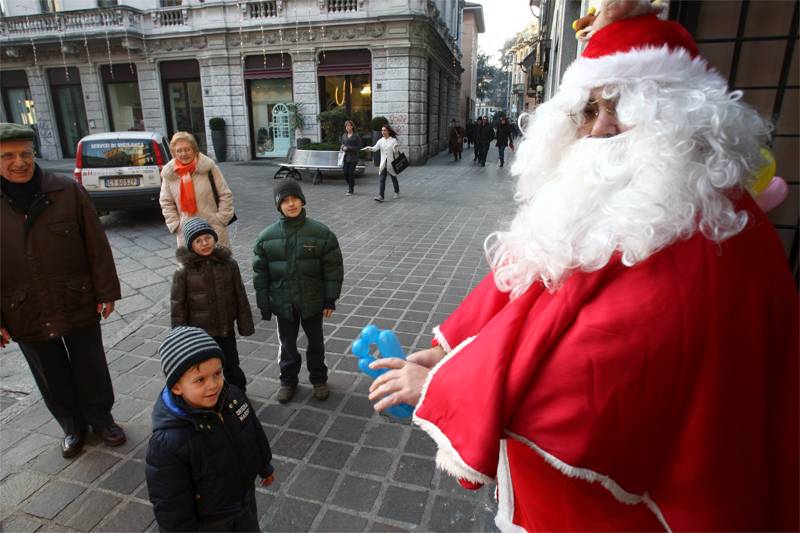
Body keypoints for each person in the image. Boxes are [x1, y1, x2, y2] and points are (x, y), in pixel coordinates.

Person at [367, 7, 798, 532]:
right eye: (589, 109)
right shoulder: (633, 196)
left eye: (622, 106)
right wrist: (447, 347)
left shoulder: (712, 225)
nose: (599, 128)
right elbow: (527, 274)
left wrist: (443, 386)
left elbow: (603, 380)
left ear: (682, 116)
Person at [0, 122, 127, 458]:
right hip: (23, 306)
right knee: (49, 372)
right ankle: (72, 426)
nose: (19, 162)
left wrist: (106, 291)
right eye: (8, 155)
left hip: (75, 296)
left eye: (25, 153)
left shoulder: (66, 190)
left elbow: (96, 244)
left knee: (91, 364)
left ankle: (101, 418)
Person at [146, 326, 274, 531]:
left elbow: (253, 432)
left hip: (244, 500)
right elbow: (170, 503)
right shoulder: (168, 442)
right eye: (200, 380)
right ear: (176, 386)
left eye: (217, 373)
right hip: (211, 521)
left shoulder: (234, 397)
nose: (213, 385)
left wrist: (264, 465)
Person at [253, 179, 343, 404]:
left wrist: (330, 299)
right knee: (287, 344)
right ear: (278, 206)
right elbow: (260, 274)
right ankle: (288, 380)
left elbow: (333, 268)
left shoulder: (321, 233)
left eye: (294, 199)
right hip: (284, 302)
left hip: (312, 300)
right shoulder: (266, 238)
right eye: (285, 201)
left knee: (316, 342)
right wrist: (264, 302)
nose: (291, 204)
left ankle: (319, 378)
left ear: (302, 201)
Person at [170, 217, 254, 393]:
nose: (204, 243)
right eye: (198, 241)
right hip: (201, 333)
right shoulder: (183, 272)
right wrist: (180, 336)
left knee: (232, 363)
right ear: (191, 245)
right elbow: (178, 307)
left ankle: (238, 394)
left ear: (215, 239)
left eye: (207, 238)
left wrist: (245, 324)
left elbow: (240, 295)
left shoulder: (229, 264)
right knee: (207, 368)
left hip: (225, 328)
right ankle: (213, 396)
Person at [159, 131, 235, 250]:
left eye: (187, 149)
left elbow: (225, 194)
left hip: (213, 228)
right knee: (192, 266)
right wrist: (175, 225)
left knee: (219, 265)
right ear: (173, 153)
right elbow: (166, 202)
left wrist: (221, 219)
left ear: (194, 150)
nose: (184, 153)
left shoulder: (209, 168)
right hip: (186, 231)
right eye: (179, 150)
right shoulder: (169, 175)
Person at [361, 124, 400, 202]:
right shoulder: (380, 140)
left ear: (388, 131)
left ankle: (396, 191)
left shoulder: (393, 140)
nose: (383, 132)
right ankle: (381, 196)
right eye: (382, 130)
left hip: (391, 163)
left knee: (393, 178)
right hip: (383, 164)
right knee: (382, 179)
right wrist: (369, 148)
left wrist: (395, 149)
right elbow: (375, 148)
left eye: (385, 130)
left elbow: (396, 153)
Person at [340, 120, 363, 196]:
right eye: (346, 126)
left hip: (353, 158)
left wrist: (348, 148)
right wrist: (342, 147)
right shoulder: (344, 135)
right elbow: (342, 144)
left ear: (352, 126)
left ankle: (351, 189)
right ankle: (350, 183)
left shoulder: (356, 135)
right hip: (345, 157)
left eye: (349, 125)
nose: (347, 127)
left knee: (350, 173)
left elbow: (359, 146)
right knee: (345, 173)